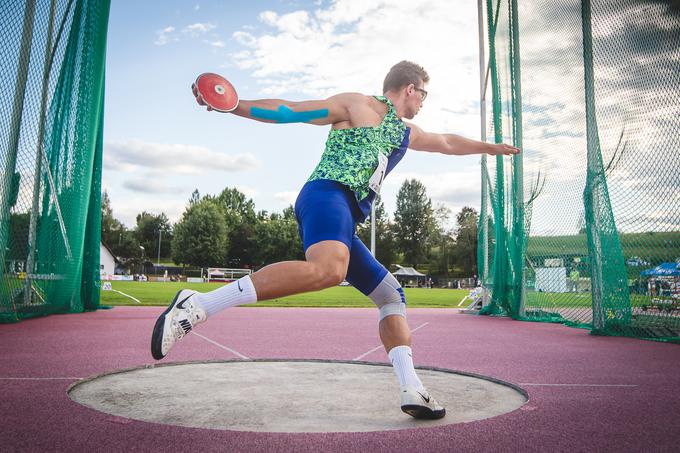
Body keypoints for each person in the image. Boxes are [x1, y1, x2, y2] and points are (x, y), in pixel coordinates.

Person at [151, 61, 519, 420]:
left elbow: (447, 142)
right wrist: (234, 105)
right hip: (326, 194)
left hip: (346, 218)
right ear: (410, 88)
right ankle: (197, 304)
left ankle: (412, 387)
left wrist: (489, 147)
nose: (424, 102)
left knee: (391, 295)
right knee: (329, 270)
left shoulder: (405, 132)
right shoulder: (356, 105)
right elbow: (289, 111)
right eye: (424, 94)